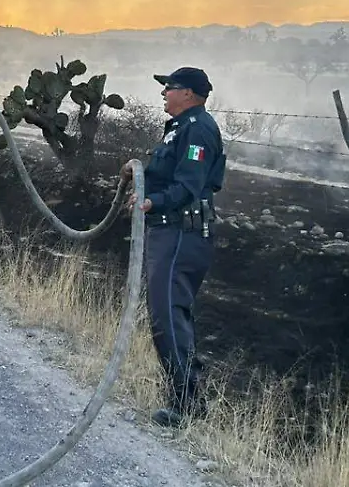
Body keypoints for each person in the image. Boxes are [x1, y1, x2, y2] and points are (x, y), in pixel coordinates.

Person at [122, 66, 225, 427]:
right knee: (167, 313)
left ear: (189, 94)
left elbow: (189, 185)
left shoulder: (198, 130)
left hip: (182, 233)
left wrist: (153, 203)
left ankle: (185, 405)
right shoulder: (180, 128)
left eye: (170, 87)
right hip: (168, 231)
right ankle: (186, 395)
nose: (164, 92)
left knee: (168, 314)